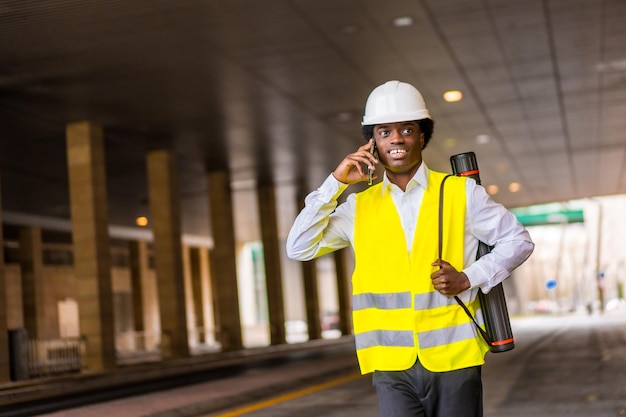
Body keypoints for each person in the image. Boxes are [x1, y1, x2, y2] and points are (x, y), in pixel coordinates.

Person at [286, 80, 534, 417]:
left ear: (422, 136)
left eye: (406, 129)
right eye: (384, 132)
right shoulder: (358, 207)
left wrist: (469, 277)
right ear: (372, 142)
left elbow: (518, 240)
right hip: (390, 366)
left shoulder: (462, 193)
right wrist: (335, 184)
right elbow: (299, 247)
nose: (396, 139)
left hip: (454, 360)